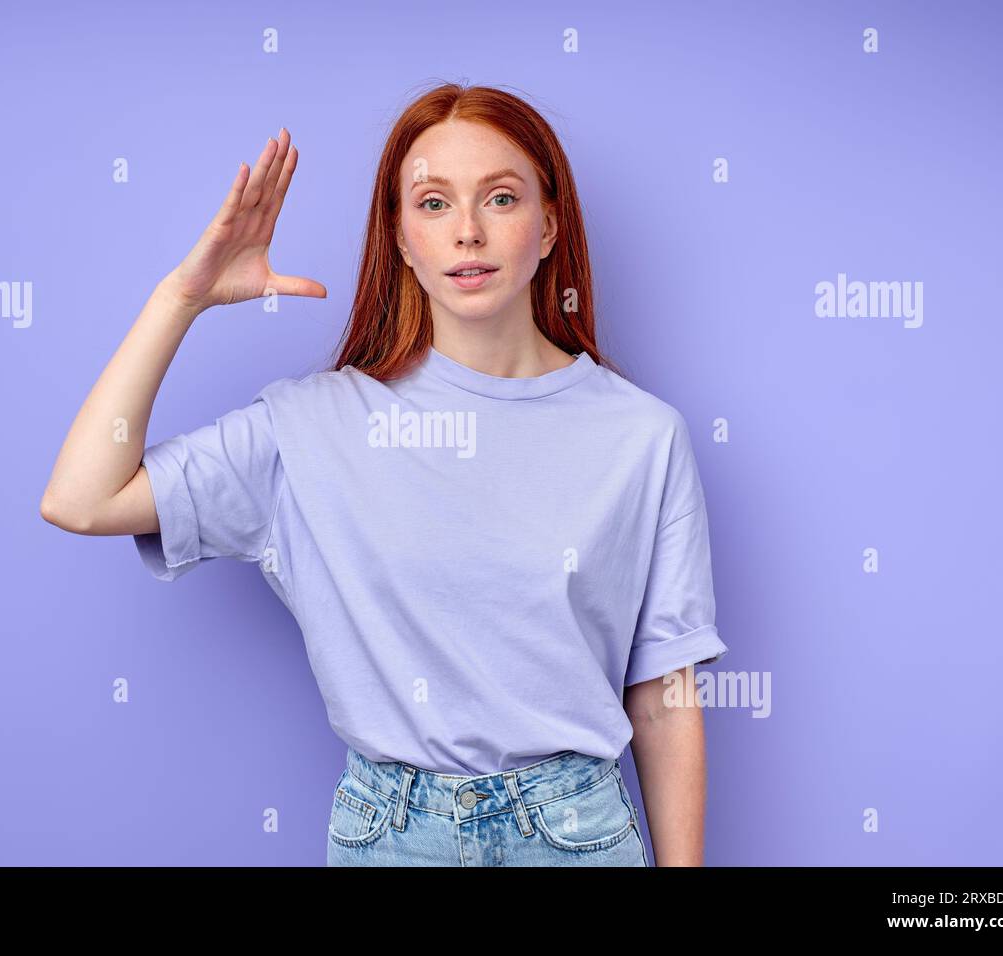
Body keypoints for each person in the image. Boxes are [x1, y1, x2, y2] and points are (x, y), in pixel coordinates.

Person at [40, 82, 728, 867]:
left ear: (549, 226)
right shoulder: (311, 426)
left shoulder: (642, 435)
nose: (468, 232)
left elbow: (666, 700)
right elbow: (80, 498)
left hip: (578, 835)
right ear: (399, 237)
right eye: (433, 204)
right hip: (393, 838)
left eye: (501, 198)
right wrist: (181, 297)